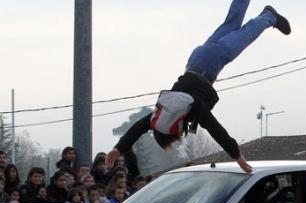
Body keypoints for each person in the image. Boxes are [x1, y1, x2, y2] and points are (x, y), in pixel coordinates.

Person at [106, 0, 291, 173]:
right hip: (196, 61)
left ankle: (269, 16)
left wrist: (237, 156)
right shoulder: (162, 111)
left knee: (246, 34)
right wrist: (118, 149)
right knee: (231, 23)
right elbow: (137, 128)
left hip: (211, 62)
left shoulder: (189, 109)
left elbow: (215, 128)